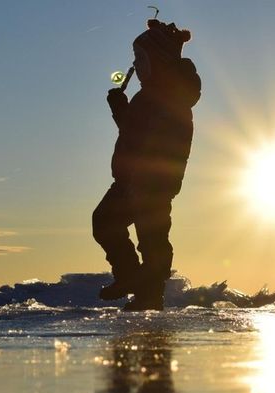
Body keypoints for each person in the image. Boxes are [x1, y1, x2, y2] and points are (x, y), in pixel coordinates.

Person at [92, 18, 201, 311]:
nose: (137, 65)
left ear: (159, 59)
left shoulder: (171, 96)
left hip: (152, 182)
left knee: (151, 238)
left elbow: (147, 136)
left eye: (142, 58)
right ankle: (129, 276)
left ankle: (149, 296)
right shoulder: (150, 95)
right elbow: (133, 132)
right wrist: (121, 108)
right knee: (104, 222)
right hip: (130, 179)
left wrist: (122, 110)